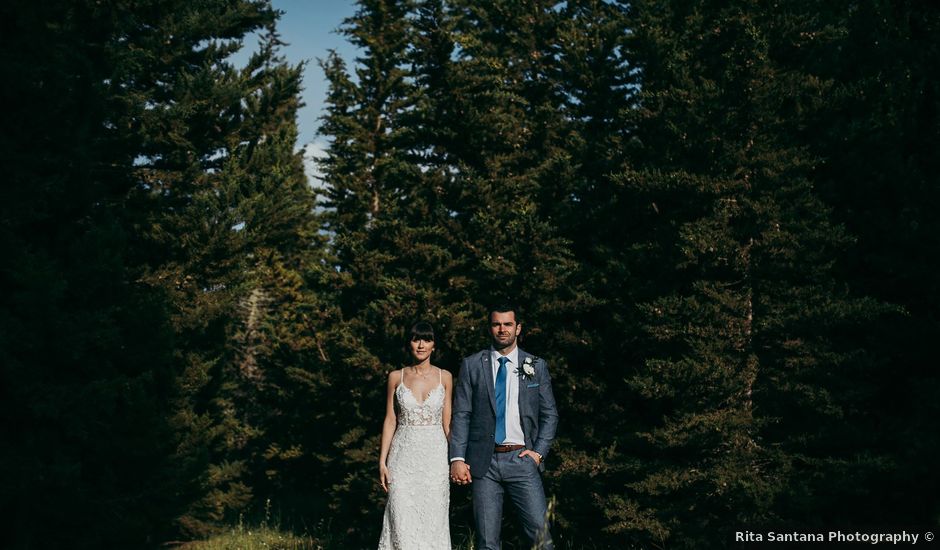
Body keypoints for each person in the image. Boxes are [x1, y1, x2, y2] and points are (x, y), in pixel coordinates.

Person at [449, 305, 559, 550]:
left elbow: (550, 414)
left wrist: (538, 453)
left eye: (508, 324)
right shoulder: (472, 364)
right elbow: (462, 413)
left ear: (518, 328)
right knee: (487, 543)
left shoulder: (536, 365)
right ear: (490, 327)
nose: (502, 329)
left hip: (522, 460)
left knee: (542, 540)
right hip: (483, 464)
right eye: (497, 324)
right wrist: (457, 457)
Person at [378, 321, 453, 549]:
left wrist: (458, 458)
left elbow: (447, 422)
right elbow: (391, 419)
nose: (421, 345)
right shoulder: (396, 377)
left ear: (434, 345)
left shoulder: (445, 377)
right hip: (402, 458)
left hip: (435, 459)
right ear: (409, 343)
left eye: (427, 339)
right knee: (401, 517)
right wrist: (382, 461)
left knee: (433, 521)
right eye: (416, 339)